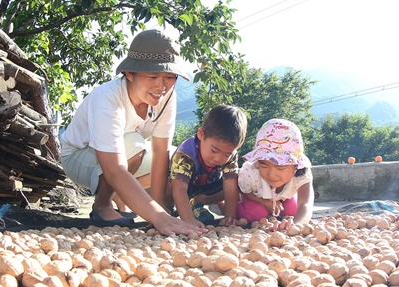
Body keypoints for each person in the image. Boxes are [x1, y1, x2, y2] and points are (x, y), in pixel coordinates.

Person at [59, 29, 205, 236]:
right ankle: (102, 206)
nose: (161, 86)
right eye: (152, 76)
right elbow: (115, 169)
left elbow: (160, 152)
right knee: (134, 144)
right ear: (130, 74)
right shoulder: (107, 98)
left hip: (125, 157)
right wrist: (157, 217)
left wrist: (160, 209)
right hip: (81, 157)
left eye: (170, 77)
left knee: (176, 159)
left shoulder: (166, 97)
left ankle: (125, 199)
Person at [170, 104, 247, 229]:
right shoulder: (185, 154)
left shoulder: (231, 155)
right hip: (184, 184)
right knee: (169, 187)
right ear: (201, 134)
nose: (218, 158)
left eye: (226, 154)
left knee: (239, 183)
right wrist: (188, 220)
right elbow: (179, 189)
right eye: (214, 150)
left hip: (209, 185)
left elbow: (230, 186)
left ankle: (197, 203)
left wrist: (230, 217)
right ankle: (170, 208)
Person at [237, 118, 315, 230]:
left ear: (295, 166)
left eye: (280, 167)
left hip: (283, 198)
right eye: (264, 165)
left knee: (294, 212)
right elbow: (243, 191)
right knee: (257, 214)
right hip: (254, 196)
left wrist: (296, 226)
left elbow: (305, 204)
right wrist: (264, 202)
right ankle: (223, 205)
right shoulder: (251, 172)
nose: (272, 175)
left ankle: (274, 213)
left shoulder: (302, 174)